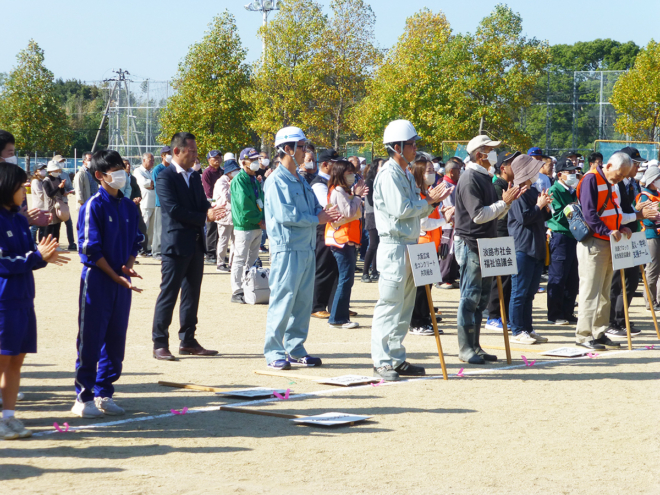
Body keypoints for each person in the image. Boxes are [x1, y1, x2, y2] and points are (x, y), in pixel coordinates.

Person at [370, 120, 450, 381]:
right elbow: (403, 209)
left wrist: (428, 202)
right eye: (411, 144)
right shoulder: (389, 174)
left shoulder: (403, 173)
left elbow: (415, 207)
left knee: (405, 305)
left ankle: (396, 357)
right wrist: (428, 201)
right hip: (394, 245)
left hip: (410, 243)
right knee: (390, 304)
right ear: (397, 147)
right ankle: (381, 361)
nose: (415, 148)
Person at [72, 150, 144, 418]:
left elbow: (137, 240)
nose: (120, 174)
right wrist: (114, 275)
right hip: (98, 280)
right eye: (113, 170)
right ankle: (84, 395)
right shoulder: (93, 205)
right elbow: (90, 248)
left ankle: (104, 392)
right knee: (91, 336)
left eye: (121, 168)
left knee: (116, 338)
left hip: (120, 281)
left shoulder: (127, 206)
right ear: (99, 175)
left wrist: (128, 265)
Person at [263, 126, 341, 370]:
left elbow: (311, 208)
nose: (306, 151)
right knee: (283, 300)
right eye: (301, 146)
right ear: (287, 149)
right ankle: (274, 351)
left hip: (305, 247)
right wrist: (317, 218)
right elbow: (286, 214)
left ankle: (295, 348)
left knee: (303, 302)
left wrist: (324, 214)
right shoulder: (277, 180)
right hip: (287, 248)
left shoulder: (300, 178)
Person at [0, 163, 68, 439]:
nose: (24, 191)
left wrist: (44, 257)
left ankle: (9, 416)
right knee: (3, 360)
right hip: (4, 302)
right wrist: (38, 257)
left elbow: (29, 257)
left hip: (24, 299)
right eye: (20, 187)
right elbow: (4, 263)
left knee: (16, 360)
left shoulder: (18, 218)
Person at [151, 132, 225, 361]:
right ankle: (160, 343)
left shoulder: (194, 176)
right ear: (176, 151)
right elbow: (172, 209)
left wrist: (211, 210)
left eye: (195, 151)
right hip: (175, 244)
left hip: (195, 244)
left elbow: (202, 204)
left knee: (192, 294)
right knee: (169, 293)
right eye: (190, 151)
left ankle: (188, 340)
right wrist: (205, 217)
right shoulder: (164, 176)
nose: (195, 155)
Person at [575, 152, 657, 350]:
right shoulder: (590, 179)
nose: (620, 179)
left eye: (623, 176)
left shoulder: (610, 183)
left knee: (604, 291)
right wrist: (609, 230)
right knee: (590, 290)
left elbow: (614, 211)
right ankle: (584, 335)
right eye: (619, 175)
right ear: (609, 165)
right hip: (594, 242)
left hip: (610, 240)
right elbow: (589, 213)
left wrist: (620, 227)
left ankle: (599, 331)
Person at [454, 135, 524, 364]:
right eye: (489, 150)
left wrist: (506, 203)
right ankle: (465, 348)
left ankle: (475, 346)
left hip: (484, 244)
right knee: (469, 297)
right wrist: (503, 203)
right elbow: (479, 215)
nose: (494, 154)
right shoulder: (469, 178)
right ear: (478, 154)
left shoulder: (483, 177)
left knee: (481, 299)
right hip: (472, 244)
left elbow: (493, 214)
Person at [507, 155, 552, 345]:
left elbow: (540, 215)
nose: (536, 173)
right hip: (522, 247)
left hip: (536, 247)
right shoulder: (517, 192)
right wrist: (539, 206)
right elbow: (524, 218)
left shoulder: (532, 190)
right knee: (519, 291)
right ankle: (517, 330)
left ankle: (527, 328)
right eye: (533, 169)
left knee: (530, 292)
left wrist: (545, 207)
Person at [606, 147, 647, 340]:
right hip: (618, 235)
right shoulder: (615, 183)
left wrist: (638, 211)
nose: (637, 167)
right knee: (617, 281)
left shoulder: (632, 183)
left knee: (631, 279)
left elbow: (628, 207)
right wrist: (637, 213)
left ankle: (622, 318)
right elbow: (616, 212)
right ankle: (612, 321)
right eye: (635, 163)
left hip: (632, 234)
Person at [325, 159, 367, 329]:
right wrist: (357, 196)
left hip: (345, 238)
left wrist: (357, 197)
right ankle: (337, 318)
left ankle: (338, 316)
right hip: (341, 239)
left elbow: (352, 212)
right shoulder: (339, 191)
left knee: (346, 279)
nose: (352, 176)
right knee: (345, 279)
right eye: (349, 173)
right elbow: (349, 212)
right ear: (340, 174)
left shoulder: (342, 190)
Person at [409, 156, 447, 336]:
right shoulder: (418, 194)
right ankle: (416, 322)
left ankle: (425, 319)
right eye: (428, 171)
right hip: (421, 245)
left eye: (433, 170)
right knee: (420, 289)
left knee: (427, 288)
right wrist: (444, 219)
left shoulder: (427, 192)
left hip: (430, 245)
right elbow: (423, 224)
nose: (432, 173)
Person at [485, 151, 520, 331]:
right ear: (503, 167)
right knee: (498, 277)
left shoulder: (509, 184)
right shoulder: (497, 186)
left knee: (506, 278)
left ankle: (503, 315)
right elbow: (497, 214)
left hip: (507, 234)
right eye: (513, 163)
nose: (517, 166)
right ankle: (493, 316)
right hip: (498, 234)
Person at [546, 157, 581, 325]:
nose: (574, 174)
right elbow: (558, 215)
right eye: (570, 172)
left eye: (575, 171)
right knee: (558, 277)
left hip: (574, 236)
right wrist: (573, 207)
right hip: (560, 237)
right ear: (560, 174)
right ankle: (554, 314)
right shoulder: (554, 190)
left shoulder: (572, 190)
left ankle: (568, 312)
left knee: (572, 278)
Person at [229, 148, 265, 304]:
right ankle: (236, 290)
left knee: (252, 259)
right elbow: (244, 206)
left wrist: (262, 218)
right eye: (253, 159)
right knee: (239, 259)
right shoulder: (239, 180)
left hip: (257, 225)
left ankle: (248, 285)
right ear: (243, 162)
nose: (256, 162)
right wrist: (260, 220)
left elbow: (260, 202)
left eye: (257, 159)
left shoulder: (254, 180)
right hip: (245, 226)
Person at [311, 149, 340, 316]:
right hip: (322, 229)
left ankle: (335, 305)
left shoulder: (334, 182)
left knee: (336, 268)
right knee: (323, 266)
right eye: (335, 164)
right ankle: (317, 306)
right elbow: (328, 206)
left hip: (334, 230)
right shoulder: (319, 183)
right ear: (325, 165)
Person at [437, 157, 462, 289]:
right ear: (451, 171)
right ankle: (442, 278)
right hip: (448, 224)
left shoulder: (455, 184)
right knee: (447, 250)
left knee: (454, 251)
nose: (460, 172)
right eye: (459, 169)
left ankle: (451, 277)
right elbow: (448, 206)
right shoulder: (445, 185)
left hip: (456, 222)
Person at [639, 165, 660, 311]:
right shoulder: (644, 196)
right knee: (651, 270)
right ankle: (650, 302)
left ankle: (656, 300)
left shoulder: (656, 193)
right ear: (652, 180)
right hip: (651, 235)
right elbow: (645, 218)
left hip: (657, 234)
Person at [213, 160, 239, 272]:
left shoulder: (234, 180)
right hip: (224, 214)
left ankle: (232, 263)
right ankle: (220, 263)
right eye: (235, 170)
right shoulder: (221, 182)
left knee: (235, 240)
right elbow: (227, 197)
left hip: (235, 214)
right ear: (229, 171)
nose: (237, 172)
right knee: (223, 239)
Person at [202, 150, 224, 264]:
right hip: (212, 204)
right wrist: (214, 204)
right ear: (209, 160)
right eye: (214, 158)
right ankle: (210, 254)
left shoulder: (222, 171)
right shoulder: (207, 173)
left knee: (221, 230)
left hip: (223, 204)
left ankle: (219, 253)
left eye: (219, 157)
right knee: (211, 230)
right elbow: (208, 191)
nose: (217, 159)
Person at [150, 146, 171, 261]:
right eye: (167, 153)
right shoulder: (158, 169)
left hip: (171, 203)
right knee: (159, 228)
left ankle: (165, 250)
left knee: (167, 228)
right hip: (160, 203)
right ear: (162, 156)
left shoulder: (173, 168)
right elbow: (159, 186)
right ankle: (156, 251)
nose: (170, 155)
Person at [361, 160, 381, 283]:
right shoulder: (369, 182)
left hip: (381, 214)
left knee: (378, 244)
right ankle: (365, 273)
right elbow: (371, 201)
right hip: (372, 214)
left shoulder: (380, 181)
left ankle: (374, 270)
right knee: (373, 244)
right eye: (381, 165)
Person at [134, 153, 156, 255]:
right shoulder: (138, 171)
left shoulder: (152, 171)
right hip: (145, 202)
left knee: (151, 228)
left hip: (154, 202)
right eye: (150, 160)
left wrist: (152, 183)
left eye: (153, 160)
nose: (152, 162)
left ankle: (148, 247)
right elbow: (143, 183)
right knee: (144, 226)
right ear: (144, 160)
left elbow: (155, 183)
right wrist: (151, 183)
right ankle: (140, 247)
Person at [42, 160, 67, 243]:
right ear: (50, 171)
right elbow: (49, 194)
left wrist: (62, 186)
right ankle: (46, 244)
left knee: (57, 227)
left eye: (57, 170)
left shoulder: (58, 178)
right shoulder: (46, 181)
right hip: (50, 206)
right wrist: (59, 187)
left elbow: (62, 192)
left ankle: (56, 244)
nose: (57, 172)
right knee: (49, 227)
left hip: (58, 205)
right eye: (55, 170)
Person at [29, 165, 48, 242]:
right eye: (40, 169)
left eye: (43, 169)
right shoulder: (35, 181)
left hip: (44, 207)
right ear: (35, 172)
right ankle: (32, 243)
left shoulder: (42, 180)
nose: (43, 171)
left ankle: (41, 243)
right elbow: (41, 195)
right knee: (34, 227)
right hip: (38, 207)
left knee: (42, 227)